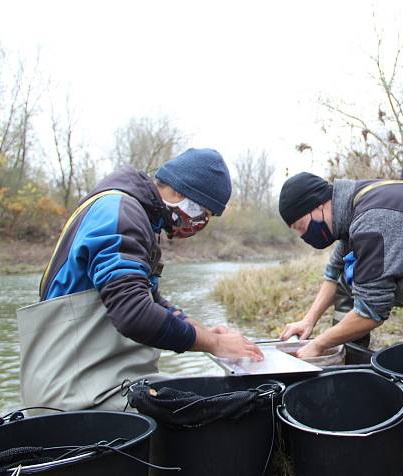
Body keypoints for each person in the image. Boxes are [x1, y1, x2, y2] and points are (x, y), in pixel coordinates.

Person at [18, 148, 263, 411]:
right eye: (203, 213)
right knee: (203, 410)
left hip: (101, 378)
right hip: (71, 393)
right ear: (180, 192)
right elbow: (133, 313)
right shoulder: (119, 213)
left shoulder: (140, 217)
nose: (201, 222)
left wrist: (202, 331)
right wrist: (212, 344)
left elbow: (149, 298)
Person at [277, 172, 403, 358]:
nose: (303, 236)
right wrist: (308, 320)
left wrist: (320, 344)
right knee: (347, 277)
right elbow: (333, 273)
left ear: (318, 205)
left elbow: (372, 311)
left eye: (301, 227)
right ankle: (350, 355)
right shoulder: (351, 208)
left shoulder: (375, 216)